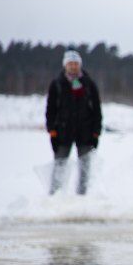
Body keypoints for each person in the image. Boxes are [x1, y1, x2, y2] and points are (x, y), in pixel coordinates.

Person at [45, 50, 102, 195]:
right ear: (65, 65)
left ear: (80, 65)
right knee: (60, 167)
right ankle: (54, 198)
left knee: (85, 171)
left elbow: (97, 110)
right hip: (63, 133)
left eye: (76, 64)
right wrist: (52, 131)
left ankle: (81, 198)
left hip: (85, 133)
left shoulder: (88, 84)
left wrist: (96, 133)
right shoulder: (58, 85)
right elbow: (51, 109)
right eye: (70, 64)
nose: (73, 66)